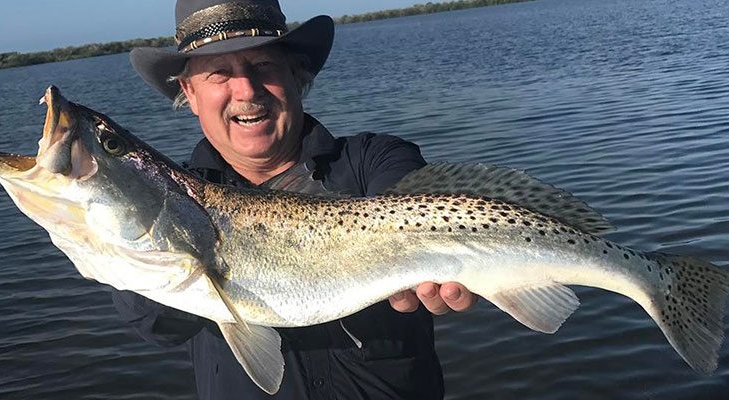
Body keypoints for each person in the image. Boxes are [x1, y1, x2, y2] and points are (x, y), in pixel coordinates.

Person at [114, 0, 477, 398]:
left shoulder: (376, 160)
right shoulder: (169, 199)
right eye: (219, 73)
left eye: (263, 66)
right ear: (190, 92)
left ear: (296, 74)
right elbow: (154, 324)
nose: (246, 90)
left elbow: (423, 204)